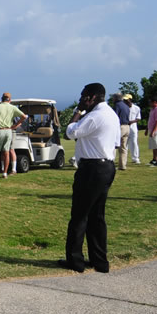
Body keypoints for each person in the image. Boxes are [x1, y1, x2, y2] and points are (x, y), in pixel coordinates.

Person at [59, 83, 120, 274]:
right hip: (106, 166)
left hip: (92, 168)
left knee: (79, 215)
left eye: (83, 96)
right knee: (97, 217)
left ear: (92, 97)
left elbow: (70, 132)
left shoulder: (95, 116)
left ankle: (75, 261)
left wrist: (78, 112)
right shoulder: (111, 114)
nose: (80, 99)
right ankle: (99, 261)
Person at [0, 92, 27, 178]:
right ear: (9, 99)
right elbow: (24, 116)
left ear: (2, 98)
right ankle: (5, 173)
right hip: (8, 130)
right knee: (6, 152)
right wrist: (16, 125)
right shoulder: (12, 107)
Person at [145, 97, 157, 167]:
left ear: (155, 102)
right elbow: (150, 120)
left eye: (150, 102)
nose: (149, 104)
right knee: (154, 145)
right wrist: (147, 129)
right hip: (151, 129)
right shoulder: (153, 109)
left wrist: (153, 131)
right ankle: (154, 159)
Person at [114, 93, 131, 170]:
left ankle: (110, 162)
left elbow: (115, 116)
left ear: (116, 98)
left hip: (120, 127)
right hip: (127, 126)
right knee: (123, 147)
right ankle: (122, 165)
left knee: (113, 145)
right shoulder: (126, 106)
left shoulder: (117, 105)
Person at [126, 94, 141, 164]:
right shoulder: (124, 108)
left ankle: (135, 158)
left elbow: (138, 118)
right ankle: (124, 158)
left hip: (133, 127)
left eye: (127, 100)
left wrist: (131, 122)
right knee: (125, 143)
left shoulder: (136, 108)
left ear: (130, 100)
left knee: (134, 142)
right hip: (125, 126)